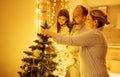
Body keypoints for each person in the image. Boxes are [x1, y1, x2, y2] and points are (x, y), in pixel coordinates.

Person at [41, 9, 110, 77]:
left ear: (95, 22)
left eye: (88, 19)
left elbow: (72, 40)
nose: (86, 21)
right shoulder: (97, 34)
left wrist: (51, 33)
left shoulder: (95, 34)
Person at [51, 9, 74, 77]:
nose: (61, 21)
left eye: (63, 19)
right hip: (56, 50)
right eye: (59, 18)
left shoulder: (68, 28)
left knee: (64, 67)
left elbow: (69, 41)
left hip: (65, 51)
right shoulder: (55, 27)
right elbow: (51, 36)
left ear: (67, 19)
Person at [67, 5, 89, 77]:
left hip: (78, 65)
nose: (74, 16)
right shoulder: (73, 27)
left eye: (77, 15)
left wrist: (78, 56)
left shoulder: (87, 31)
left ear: (84, 17)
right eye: (74, 14)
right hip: (69, 61)